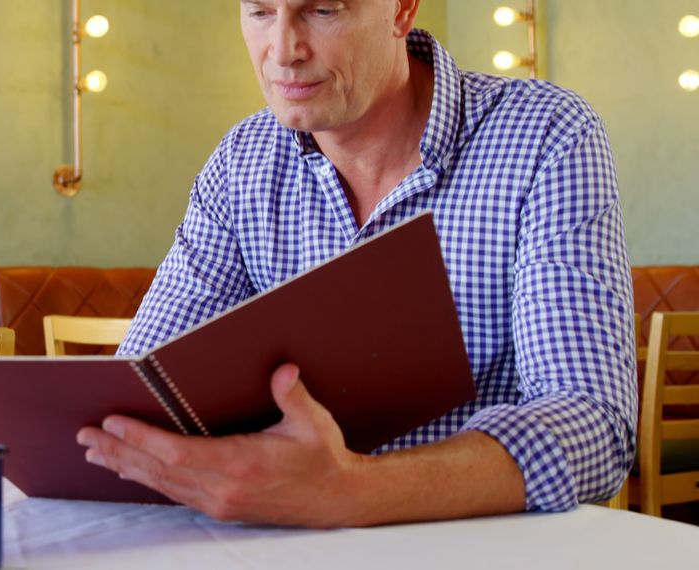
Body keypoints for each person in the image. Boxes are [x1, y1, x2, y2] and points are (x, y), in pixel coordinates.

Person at [76, 0, 636, 528]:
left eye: (323, 9)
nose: (283, 48)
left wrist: (353, 491)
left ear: (402, 8)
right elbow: (136, 400)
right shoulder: (241, 162)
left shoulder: (547, 135)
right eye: (260, 11)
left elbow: (593, 425)